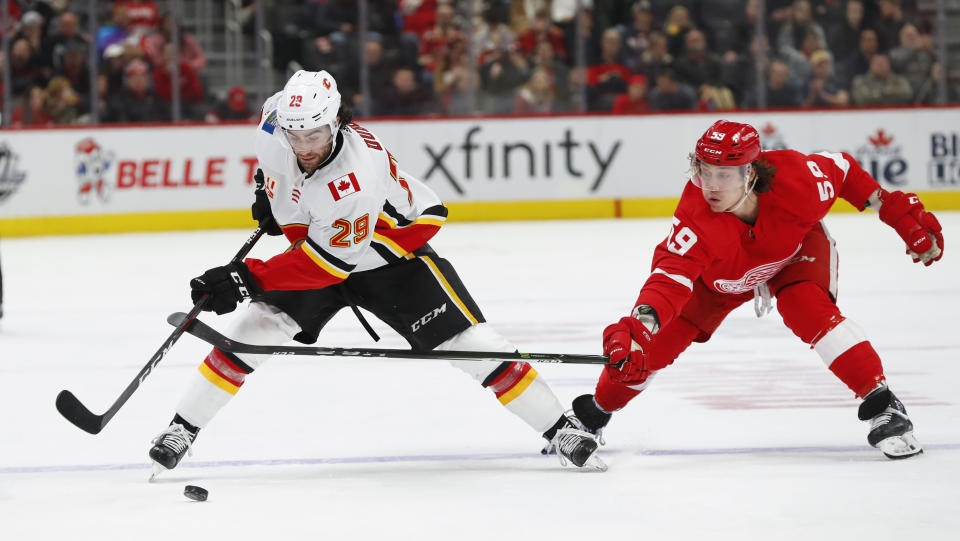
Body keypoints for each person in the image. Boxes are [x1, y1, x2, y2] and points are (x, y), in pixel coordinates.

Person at [148, 70, 604, 475]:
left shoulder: (355, 182)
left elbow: (326, 266)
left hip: (389, 257)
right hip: (322, 246)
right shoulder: (274, 121)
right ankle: (180, 430)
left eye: (316, 135)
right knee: (247, 335)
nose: (305, 146)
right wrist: (269, 196)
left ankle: (560, 429)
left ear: (338, 122)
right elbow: (274, 169)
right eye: (296, 135)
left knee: (474, 347)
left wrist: (245, 278)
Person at [569, 120, 943, 460]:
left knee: (804, 307)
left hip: (791, 252)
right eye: (703, 171)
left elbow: (844, 171)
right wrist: (637, 331)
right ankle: (592, 414)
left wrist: (890, 209)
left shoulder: (797, 179)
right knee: (649, 352)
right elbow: (668, 280)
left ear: (749, 172)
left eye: (724, 174)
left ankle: (883, 404)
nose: (711, 185)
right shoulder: (696, 220)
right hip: (717, 281)